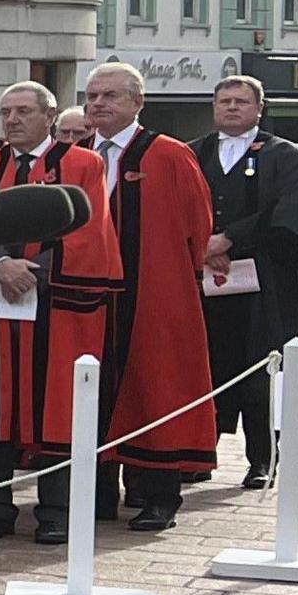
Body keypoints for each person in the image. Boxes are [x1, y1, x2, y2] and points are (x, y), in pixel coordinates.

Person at [0, 83, 119, 543]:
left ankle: (55, 510)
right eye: (6, 111)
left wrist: (32, 270)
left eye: (22, 111)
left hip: (55, 310)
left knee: (54, 408)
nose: (12, 119)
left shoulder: (81, 163)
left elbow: (89, 229)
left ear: (49, 115)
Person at [77, 62, 219, 532]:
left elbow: (198, 227)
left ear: (138, 102)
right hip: (92, 300)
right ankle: (94, 494)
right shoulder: (75, 155)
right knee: (90, 391)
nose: (99, 104)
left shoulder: (169, 155)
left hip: (155, 294)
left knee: (156, 387)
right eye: (93, 96)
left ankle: (157, 495)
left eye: (111, 96)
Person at [200, 76, 298, 489]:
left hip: (266, 285)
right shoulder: (195, 153)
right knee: (207, 365)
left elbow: (288, 214)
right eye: (224, 101)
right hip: (207, 284)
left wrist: (231, 237)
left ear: (259, 108)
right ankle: (198, 452)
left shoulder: (288, 156)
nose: (231, 108)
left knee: (264, 371)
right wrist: (202, 244)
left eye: (241, 102)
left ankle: (263, 458)